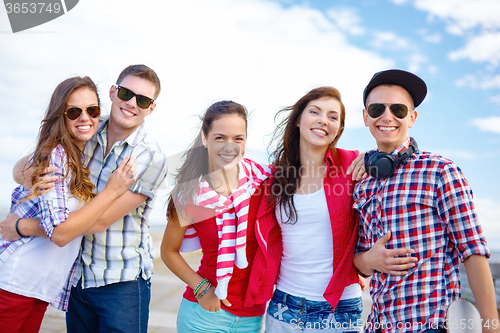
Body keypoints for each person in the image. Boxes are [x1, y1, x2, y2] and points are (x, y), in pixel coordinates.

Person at [4, 65, 168, 333]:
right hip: (77, 277)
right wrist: (34, 175)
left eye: (142, 100)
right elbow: (21, 168)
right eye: (126, 93)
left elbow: (99, 220)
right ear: (113, 93)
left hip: (120, 281)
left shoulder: (149, 158)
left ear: (151, 107)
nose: (131, 103)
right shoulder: (85, 126)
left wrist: (22, 227)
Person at [353, 69, 499, 333]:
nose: (387, 116)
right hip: (378, 326)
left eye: (398, 109)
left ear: (412, 117)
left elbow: (473, 250)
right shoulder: (362, 183)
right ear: (366, 117)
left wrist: (491, 326)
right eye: (377, 109)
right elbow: (359, 260)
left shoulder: (440, 171)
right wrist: (368, 261)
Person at [245, 86, 364, 332]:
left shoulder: (354, 163)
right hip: (284, 306)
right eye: (315, 112)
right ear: (299, 119)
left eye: (333, 117)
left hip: (339, 308)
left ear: (338, 130)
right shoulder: (274, 176)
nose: (323, 120)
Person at [161, 100, 272, 332]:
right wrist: (201, 289)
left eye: (238, 139)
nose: (229, 147)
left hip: (252, 318)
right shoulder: (190, 193)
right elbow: (168, 252)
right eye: (220, 138)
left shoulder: (264, 183)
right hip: (204, 316)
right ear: (205, 138)